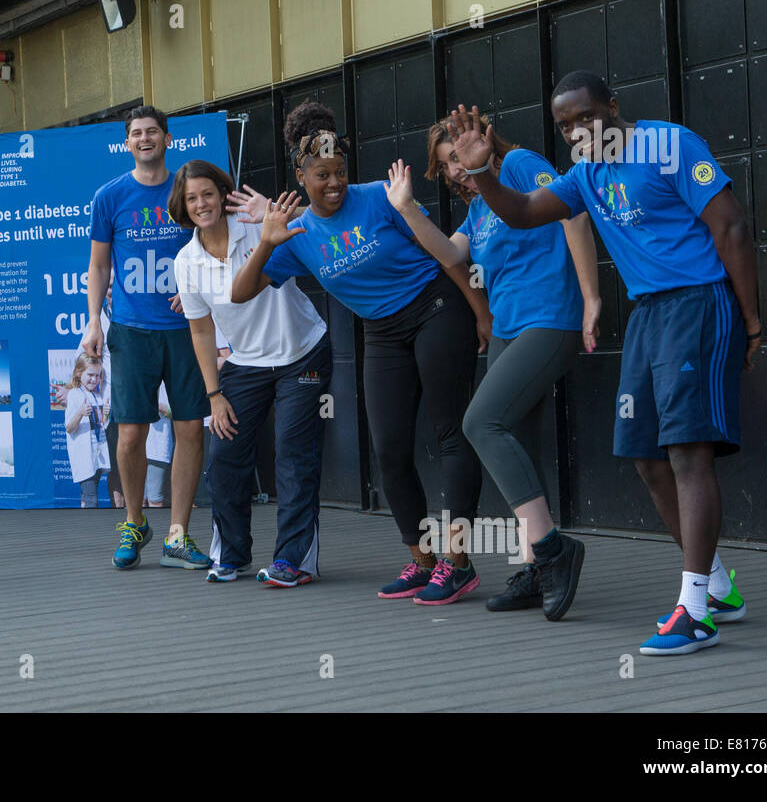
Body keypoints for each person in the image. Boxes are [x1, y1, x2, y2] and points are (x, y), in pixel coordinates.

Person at [452, 70, 758, 654]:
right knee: (646, 459)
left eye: (584, 117)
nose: (575, 132)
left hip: (697, 304)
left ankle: (694, 610)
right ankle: (718, 587)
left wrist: (750, 319)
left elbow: (732, 227)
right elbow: (520, 210)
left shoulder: (669, 145)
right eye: (564, 124)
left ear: (613, 106)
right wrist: (480, 171)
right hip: (648, 316)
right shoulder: (585, 173)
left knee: (688, 452)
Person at [230, 102, 490, 604]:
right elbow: (241, 292)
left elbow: (445, 253)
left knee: (448, 433)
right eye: (323, 175)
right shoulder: (296, 231)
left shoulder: (379, 198)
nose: (335, 183)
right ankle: (423, 558)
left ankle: (458, 562)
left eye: (341, 172)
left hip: (435, 308)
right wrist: (265, 241)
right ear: (301, 177)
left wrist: (479, 311)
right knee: (389, 449)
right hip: (382, 333)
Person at [383, 113, 600, 620]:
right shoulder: (480, 210)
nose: (457, 170)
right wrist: (408, 208)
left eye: (458, 155)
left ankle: (552, 550)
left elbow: (574, 214)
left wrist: (591, 297)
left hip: (550, 318)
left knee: (480, 421)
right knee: (517, 440)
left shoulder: (521, 164)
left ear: (483, 140)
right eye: (446, 165)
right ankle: (534, 566)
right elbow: (449, 253)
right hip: (507, 328)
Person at [172, 159, 331, 587]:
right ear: (182, 207)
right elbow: (201, 331)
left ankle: (292, 561)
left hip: (302, 353)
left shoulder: (256, 224)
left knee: (292, 456)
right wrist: (214, 395)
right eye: (191, 198)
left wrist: (273, 225)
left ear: (223, 194)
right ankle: (231, 555)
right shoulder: (186, 261)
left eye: (207, 193)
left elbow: (317, 221)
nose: (201, 204)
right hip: (245, 363)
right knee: (224, 460)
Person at [83, 105, 212, 570]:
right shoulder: (110, 196)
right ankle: (134, 523)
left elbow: (212, 245)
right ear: (126, 142)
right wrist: (94, 320)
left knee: (190, 428)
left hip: (187, 329)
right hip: (132, 331)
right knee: (131, 433)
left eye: (152, 132)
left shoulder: (187, 191)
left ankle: (177, 534)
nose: (144, 139)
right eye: (136, 133)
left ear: (167, 139)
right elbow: (99, 266)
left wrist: (196, 290)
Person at [64, 354, 110, 507]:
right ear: (78, 373)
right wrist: (79, 413)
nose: (94, 379)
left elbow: (101, 425)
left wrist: (106, 413)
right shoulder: (74, 395)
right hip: (84, 456)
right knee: (91, 498)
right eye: (90, 375)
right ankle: (92, 526)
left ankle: (83, 523)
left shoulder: (97, 395)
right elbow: (69, 428)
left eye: (97, 376)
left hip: (97, 454)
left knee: (86, 496)